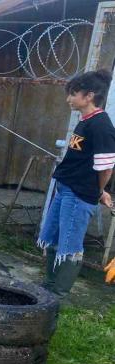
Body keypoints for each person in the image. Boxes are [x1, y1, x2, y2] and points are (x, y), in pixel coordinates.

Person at [37, 69, 115, 297]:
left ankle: (58, 292)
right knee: (53, 236)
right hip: (66, 188)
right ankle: (49, 285)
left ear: (89, 96)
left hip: (79, 193)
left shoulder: (101, 125)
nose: (68, 99)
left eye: (73, 93)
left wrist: (98, 191)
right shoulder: (85, 121)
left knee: (70, 244)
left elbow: (106, 168)